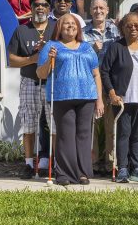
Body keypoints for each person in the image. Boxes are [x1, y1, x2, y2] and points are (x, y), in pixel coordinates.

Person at [36, 14, 104, 186]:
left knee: (83, 135)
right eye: (66, 23)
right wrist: (50, 59)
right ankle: (64, 174)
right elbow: (41, 74)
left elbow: (96, 74)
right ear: (59, 27)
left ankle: (82, 173)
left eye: (73, 24)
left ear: (78, 28)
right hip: (61, 95)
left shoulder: (87, 47)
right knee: (65, 135)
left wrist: (100, 99)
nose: (70, 26)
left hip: (87, 96)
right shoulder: (52, 46)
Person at [100, 10, 138, 183]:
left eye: (137, 25)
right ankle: (123, 169)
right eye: (129, 26)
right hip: (122, 100)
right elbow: (105, 72)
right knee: (124, 133)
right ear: (122, 29)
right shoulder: (116, 47)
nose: (133, 28)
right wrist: (112, 93)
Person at [6, 0, 55, 178]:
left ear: (49, 9)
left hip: (51, 82)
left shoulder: (55, 28)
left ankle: (53, 162)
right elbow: (11, 59)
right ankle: (28, 164)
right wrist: (31, 59)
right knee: (28, 123)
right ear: (31, 9)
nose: (40, 8)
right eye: (36, 5)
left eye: (43, 5)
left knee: (53, 124)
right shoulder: (22, 30)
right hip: (29, 82)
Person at [83, 0, 119, 172]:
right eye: (95, 8)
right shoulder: (83, 32)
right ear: (90, 10)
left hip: (111, 84)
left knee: (111, 125)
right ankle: (93, 163)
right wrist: (92, 50)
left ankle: (110, 163)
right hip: (90, 84)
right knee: (93, 126)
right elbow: (79, 56)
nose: (98, 11)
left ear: (107, 10)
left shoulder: (116, 31)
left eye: (101, 8)